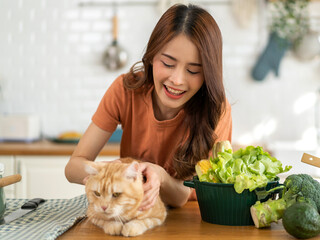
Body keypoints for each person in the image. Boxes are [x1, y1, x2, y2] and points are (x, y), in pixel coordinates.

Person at [65, 3, 232, 210]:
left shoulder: (216, 109)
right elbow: (73, 168)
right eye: (168, 64)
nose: (177, 80)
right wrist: (109, 171)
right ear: (152, 56)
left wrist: (160, 176)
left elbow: (188, 194)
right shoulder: (126, 90)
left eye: (193, 71)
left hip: (188, 221)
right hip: (130, 214)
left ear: (208, 74)